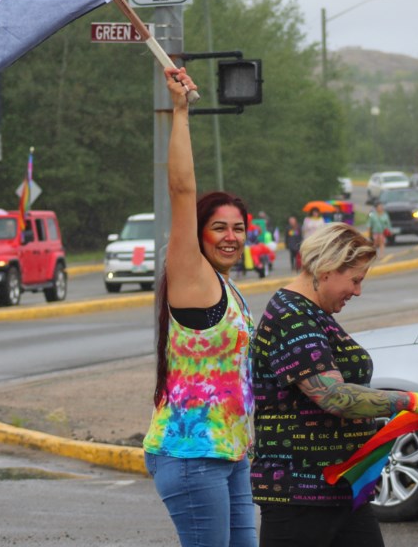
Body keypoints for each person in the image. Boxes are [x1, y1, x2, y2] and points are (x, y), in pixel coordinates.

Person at [250, 223, 418, 547]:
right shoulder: (292, 317)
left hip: (338, 488)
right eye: (355, 280)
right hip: (300, 496)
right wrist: (409, 401)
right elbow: (334, 396)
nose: (357, 291)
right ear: (327, 269)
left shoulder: (313, 313)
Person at [142, 67, 258, 547]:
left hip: (230, 451)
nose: (230, 237)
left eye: (237, 228)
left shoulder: (228, 289)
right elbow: (182, 192)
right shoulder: (191, 278)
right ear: (199, 235)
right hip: (191, 453)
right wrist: (180, 112)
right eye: (219, 228)